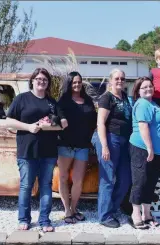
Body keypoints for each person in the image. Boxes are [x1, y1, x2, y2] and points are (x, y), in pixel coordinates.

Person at [5, 68, 68, 232]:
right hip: (27, 151)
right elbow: (8, 122)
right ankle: (23, 219)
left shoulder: (52, 102)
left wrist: (48, 127)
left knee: (46, 186)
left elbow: (63, 125)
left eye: (45, 79)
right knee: (26, 186)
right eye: (38, 79)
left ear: (48, 83)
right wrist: (29, 127)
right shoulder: (21, 99)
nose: (41, 81)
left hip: (48, 152)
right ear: (32, 81)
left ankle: (45, 220)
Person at [128, 77, 160, 229]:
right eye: (144, 87)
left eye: (150, 86)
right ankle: (135, 214)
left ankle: (147, 214)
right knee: (140, 180)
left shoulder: (152, 103)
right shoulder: (142, 104)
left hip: (155, 150)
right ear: (138, 91)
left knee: (150, 181)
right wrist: (149, 148)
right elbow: (143, 127)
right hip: (142, 148)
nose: (148, 89)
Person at [94, 68, 132, 228]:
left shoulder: (125, 98)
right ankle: (104, 216)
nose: (120, 81)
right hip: (109, 139)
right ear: (110, 81)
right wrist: (104, 146)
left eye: (122, 79)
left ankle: (112, 208)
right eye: (117, 78)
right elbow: (100, 122)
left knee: (125, 179)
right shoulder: (106, 98)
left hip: (124, 142)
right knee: (107, 179)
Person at [57, 71, 97, 224]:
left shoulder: (87, 100)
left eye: (79, 82)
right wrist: (62, 118)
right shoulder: (64, 100)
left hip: (82, 146)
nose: (77, 84)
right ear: (69, 83)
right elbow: (57, 112)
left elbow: (94, 119)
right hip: (65, 145)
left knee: (78, 180)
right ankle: (66, 209)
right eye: (74, 82)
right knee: (63, 177)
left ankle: (74, 209)